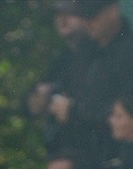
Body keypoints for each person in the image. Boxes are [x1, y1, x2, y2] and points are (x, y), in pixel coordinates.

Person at [68, 0, 133, 163]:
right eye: (83, 16)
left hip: (124, 156)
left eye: (92, 15)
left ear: (113, 10)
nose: (87, 22)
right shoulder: (85, 52)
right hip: (89, 159)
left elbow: (129, 111)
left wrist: (73, 111)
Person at [26, 0, 97, 156]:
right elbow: (34, 104)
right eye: (59, 14)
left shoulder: (100, 55)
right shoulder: (63, 58)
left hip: (93, 152)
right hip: (65, 151)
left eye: (70, 13)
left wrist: (72, 111)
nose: (62, 19)